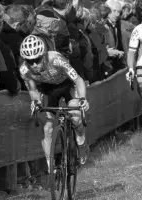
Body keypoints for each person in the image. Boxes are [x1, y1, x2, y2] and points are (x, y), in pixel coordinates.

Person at [19, 35, 90, 170]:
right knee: (47, 128)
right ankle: (50, 166)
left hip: (67, 84)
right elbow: (33, 90)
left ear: (44, 55)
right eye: (30, 61)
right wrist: (36, 101)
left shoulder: (56, 59)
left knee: (75, 114)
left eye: (37, 59)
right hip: (48, 89)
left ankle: (81, 142)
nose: (34, 64)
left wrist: (82, 99)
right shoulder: (24, 70)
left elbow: (78, 80)